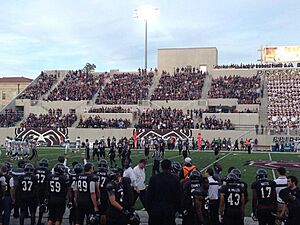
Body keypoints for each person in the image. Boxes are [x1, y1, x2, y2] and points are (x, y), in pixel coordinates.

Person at [147, 159, 182, 225]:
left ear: (161, 167)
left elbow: (149, 197)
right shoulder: (175, 179)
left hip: (156, 210)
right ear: (170, 167)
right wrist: (177, 210)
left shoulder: (154, 178)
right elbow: (178, 197)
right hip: (169, 211)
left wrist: (151, 209)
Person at [35, 159, 51, 225]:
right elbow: (48, 181)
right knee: (43, 205)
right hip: (43, 190)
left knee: (34, 206)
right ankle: (39, 221)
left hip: (36, 189)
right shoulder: (47, 171)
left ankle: (34, 221)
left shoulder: (36, 170)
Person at [94, 160, 110, 225]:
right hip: (104, 194)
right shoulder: (108, 174)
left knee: (95, 211)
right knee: (103, 213)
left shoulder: (95, 173)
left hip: (95, 194)